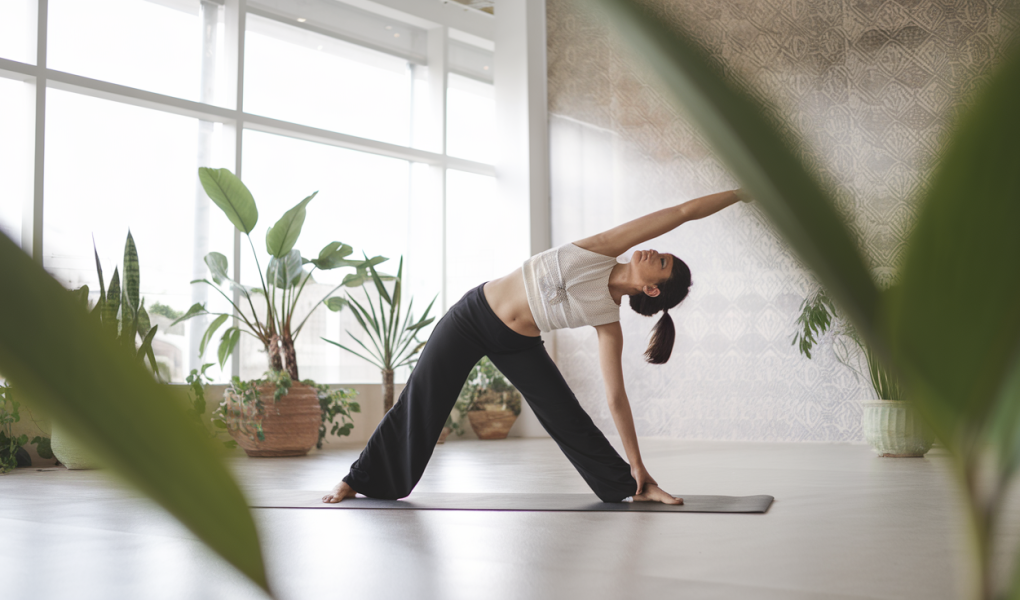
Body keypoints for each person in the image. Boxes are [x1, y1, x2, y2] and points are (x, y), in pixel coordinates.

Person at [322, 189, 747, 505]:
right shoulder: (602, 249)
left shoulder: (607, 321)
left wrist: (638, 463)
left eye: (663, 261)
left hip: (517, 345)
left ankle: (631, 485)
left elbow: (616, 398)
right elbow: (682, 212)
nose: (655, 251)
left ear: (652, 289)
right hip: (472, 316)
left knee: (568, 417)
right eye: (663, 253)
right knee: (422, 396)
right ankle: (360, 479)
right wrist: (741, 194)